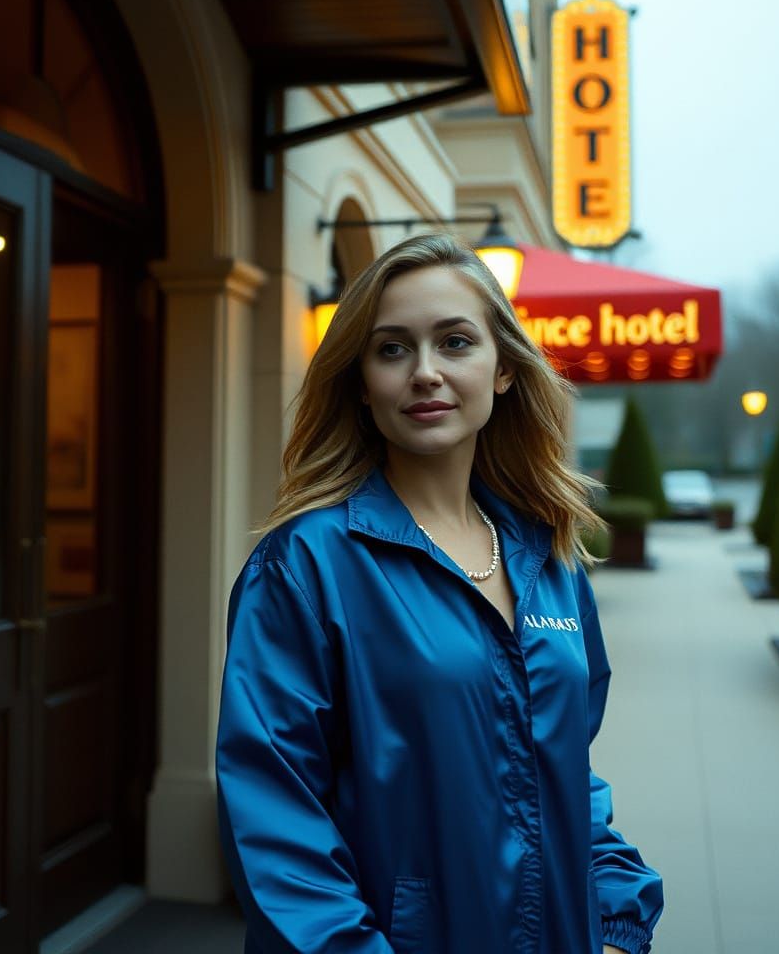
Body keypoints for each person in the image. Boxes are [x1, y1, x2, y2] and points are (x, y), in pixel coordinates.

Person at [216, 234, 664, 954]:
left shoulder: (548, 559)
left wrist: (614, 918)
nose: (425, 372)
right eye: (393, 349)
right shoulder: (305, 566)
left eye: (455, 342)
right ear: (362, 382)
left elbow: (566, 769)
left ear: (504, 369)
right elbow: (275, 820)